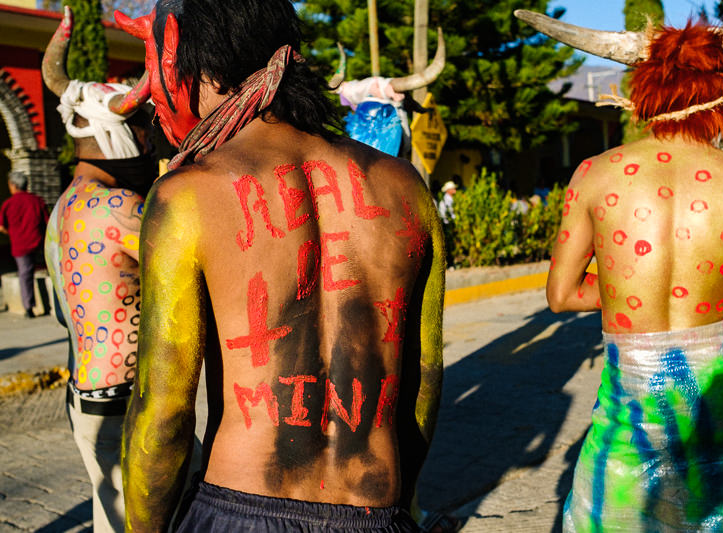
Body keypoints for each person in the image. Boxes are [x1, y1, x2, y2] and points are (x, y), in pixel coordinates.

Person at [115, 1, 445, 531]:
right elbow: (423, 378)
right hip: (373, 509)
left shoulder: (187, 196)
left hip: (241, 507)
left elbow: (164, 412)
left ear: (193, 62)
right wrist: (395, 502)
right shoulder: (405, 187)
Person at [516, 8, 723, 532]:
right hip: (719, 419)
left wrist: (628, 290)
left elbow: (562, 294)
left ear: (645, 89)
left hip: (624, 426)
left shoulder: (594, 175)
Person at [40, 7, 156, 532]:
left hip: (84, 395)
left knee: (111, 517)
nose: (152, 145)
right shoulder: (118, 207)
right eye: (145, 131)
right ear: (121, 137)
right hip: (123, 402)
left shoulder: (64, 206)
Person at [0, 171, 48, 318]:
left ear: (13, 186)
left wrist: (12, 234)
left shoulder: (8, 204)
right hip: (39, 243)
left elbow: (1, 227)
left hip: (20, 245)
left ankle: (29, 307)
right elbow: (47, 222)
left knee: (25, 275)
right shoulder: (37, 201)